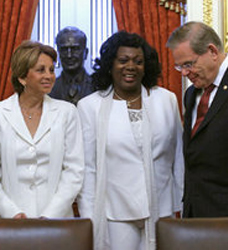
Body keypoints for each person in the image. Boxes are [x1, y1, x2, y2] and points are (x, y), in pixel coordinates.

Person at [77, 31, 184, 250]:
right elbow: (88, 168)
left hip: (161, 209)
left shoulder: (166, 100)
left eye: (138, 61)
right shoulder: (89, 106)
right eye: (123, 60)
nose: (131, 66)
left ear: (146, 67)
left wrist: (179, 205)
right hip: (114, 213)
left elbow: (179, 157)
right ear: (110, 64)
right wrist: (89, 215)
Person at [0, 40, 84, 219]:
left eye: (51, 70)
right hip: (9, 222)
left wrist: (50, 215)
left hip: (56, 221)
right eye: (40, 70)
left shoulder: (68, 112)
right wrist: (12, 213)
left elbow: (74, 171)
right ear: (22, 77)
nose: (49, 76)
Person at [167, 21, 228, 218]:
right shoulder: (191, 94)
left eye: (188, 64)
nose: (184, 72)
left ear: (212, 51)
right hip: (195, 216)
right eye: (180, 66)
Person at [49, 26, 94, 105]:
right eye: (64, 49)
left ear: (86, 53)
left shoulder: (97, 87)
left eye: (75, 49)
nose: (69, 55)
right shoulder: (49, 88)